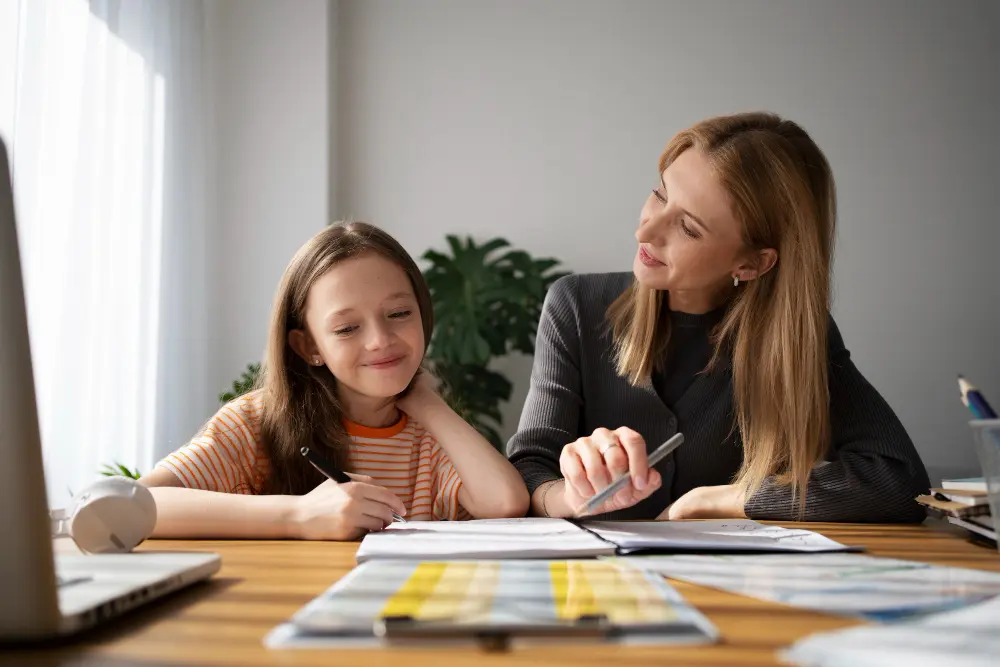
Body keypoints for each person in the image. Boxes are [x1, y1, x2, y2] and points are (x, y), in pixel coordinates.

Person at [507, 112, 929, 523]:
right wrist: (571, 496)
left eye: (688, 228)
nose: (646, 232)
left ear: (752, 263)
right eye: (660, 194)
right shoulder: (576, 305)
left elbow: (898, 480)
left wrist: (722, 500)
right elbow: (529, 470)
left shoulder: (794, 338)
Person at [141, 221, 529, 540]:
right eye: (346, 328)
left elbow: (505, 502)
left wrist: (428, 403)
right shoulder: (253, 423)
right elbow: (134, 503)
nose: (380, 340)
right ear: (309, 345)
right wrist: (297, 514)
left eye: (398, 313)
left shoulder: (431, 436)